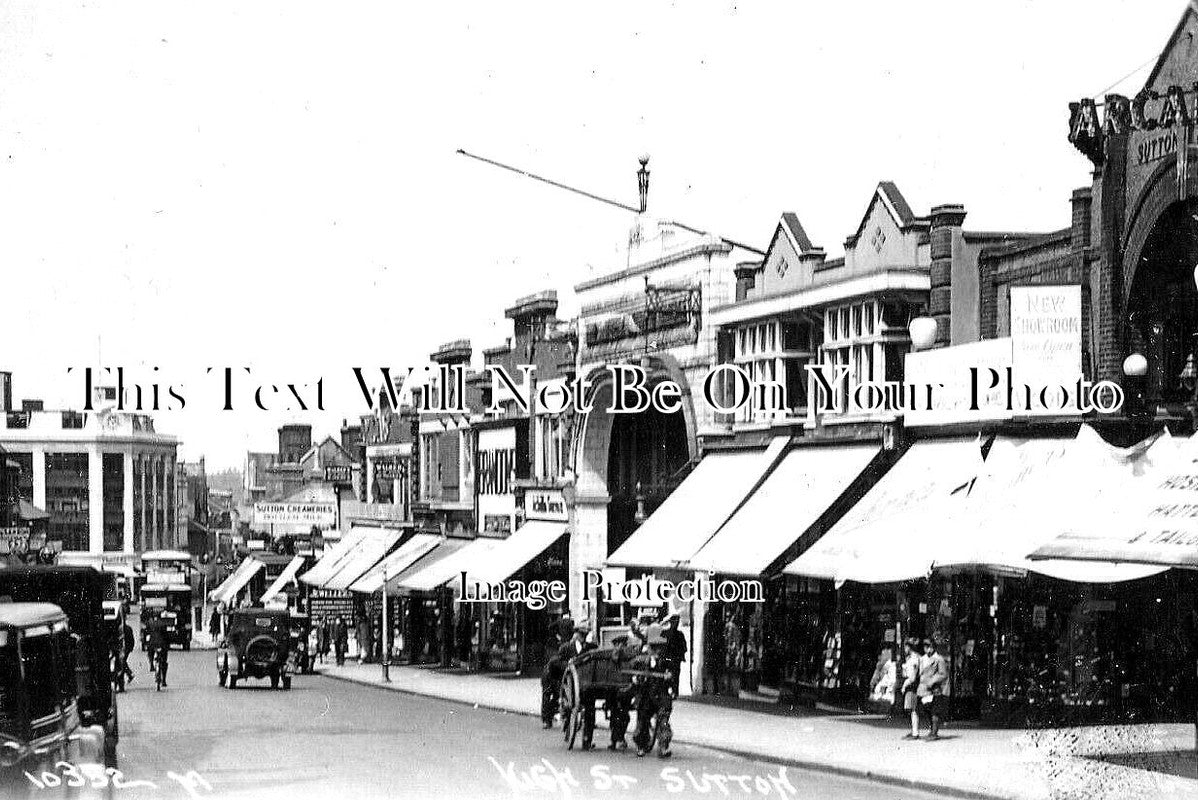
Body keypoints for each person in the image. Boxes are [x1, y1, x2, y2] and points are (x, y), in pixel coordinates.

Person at [629, 631, 674, 758]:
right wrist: (637, 678)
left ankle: (663, 747)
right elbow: (633, 675)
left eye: (659, 647)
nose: (657, 651)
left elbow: (672, 673)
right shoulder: (640, 661)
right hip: (646, 694)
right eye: (654, 647)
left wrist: (669, 676)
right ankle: (641, 746)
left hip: (661, 694)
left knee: (664, 720)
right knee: (642, 721)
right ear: (649, 647)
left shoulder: (666, 660)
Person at [556, 623, 597, 749]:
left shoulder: (592, 647)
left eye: (585, 635)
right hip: (572, 686)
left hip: (587, 684)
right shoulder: (566, 648)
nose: (583, 637)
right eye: (581, 634)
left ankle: (587, 740)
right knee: (570, 709)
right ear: (576, 634)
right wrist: (568, 665)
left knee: (590, 711)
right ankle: (568, 726)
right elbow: (559, 663)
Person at [539, 616, 571, 729]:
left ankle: (550, 717)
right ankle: (547, 719)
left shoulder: (566, 642)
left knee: (556, 695)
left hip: (559, 673)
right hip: (550, 673)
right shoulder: (552, 643)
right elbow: (553, 660)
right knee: (548, 695)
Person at [917, 638, 949, 740]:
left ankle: (934, 732)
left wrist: (932, 681)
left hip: (935, 689)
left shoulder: (939, 659)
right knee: (927, 710)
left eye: (930, 647)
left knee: (935, 711)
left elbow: (943, 674)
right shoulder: (922, 659)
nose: (928, 649)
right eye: (926, 647)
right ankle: (932, 731)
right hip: (924, 689)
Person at [660, 613, 687, 696]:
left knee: (675, 675)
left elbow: (684, 647)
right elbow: (661, 646)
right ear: (671, 622)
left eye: (677, 621)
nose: (676, 623)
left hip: (675, 658)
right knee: (666, 674)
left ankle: (675, 691)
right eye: (674, 621)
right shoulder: (665, 633)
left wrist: (681, 655)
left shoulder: (679, 634)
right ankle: (666, 690)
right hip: (667, 658)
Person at [900, 638, 922, 739]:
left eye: (905, 646)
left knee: (913, 709)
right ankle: (913, 730)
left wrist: (904, 685)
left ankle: (915, 732)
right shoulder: (911, 658)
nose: (904, 649)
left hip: (912, 686)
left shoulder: (914, 659)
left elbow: (912, 677)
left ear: (909, 647)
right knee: (911, 709)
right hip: (911, 685)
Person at [146, 618, 169, 687]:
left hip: (152, 644)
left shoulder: (149, 623)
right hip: (162, 645)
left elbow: (146, 633)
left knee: (150, 653)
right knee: (164, 661)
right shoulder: (163, 624)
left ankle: (151, 665)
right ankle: (164, 680)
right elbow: (166, 636)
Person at [121, 620, 136, 686]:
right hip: (127, 648)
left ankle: (129, 674)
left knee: (122, 662)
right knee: (123, 661)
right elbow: (132, 639)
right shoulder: (128, 628)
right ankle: (129, 674)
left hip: (124, 648)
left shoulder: (123, 628)